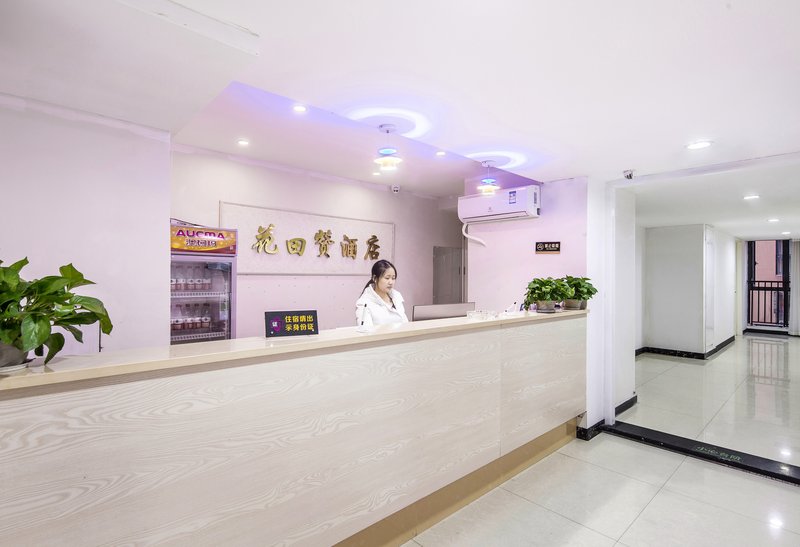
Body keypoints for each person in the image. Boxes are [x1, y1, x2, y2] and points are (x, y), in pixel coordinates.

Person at [356, 259, 409, 325]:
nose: (391, 282)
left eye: (393, 278)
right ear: (375, 278)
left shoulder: (396, 296)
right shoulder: (364, 302)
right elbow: (365, 330)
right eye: (387, 278)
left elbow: (406, 324)